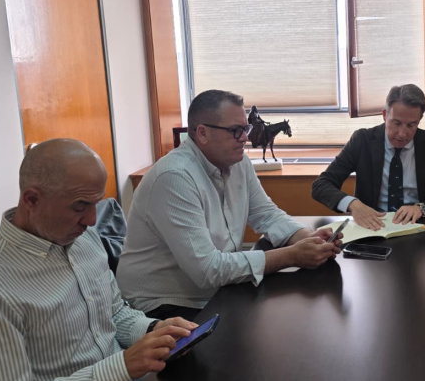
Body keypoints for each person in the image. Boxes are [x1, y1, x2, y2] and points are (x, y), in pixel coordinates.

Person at [0, 139, 197, 381]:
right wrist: (121, 367)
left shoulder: (83, 240)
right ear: (31, 200)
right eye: (79, 207)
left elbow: (113, 313)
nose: (91, 220)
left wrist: (154, 332)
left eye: (95, 204)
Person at [117, 90, 341, 320]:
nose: (245, 138)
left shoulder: (239, 162)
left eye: (246, 129)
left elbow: (267, 214)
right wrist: (293, 255)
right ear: (202, 133)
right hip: (162, 306)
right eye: (236, 131)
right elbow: (208, 271)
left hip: (212, 291)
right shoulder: (174, 177)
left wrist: (308, 238)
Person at [311, 84, 425, 231]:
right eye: (396, 123)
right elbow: (321, 185)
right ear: (384, 115)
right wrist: (353, 204)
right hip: (371, 227)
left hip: (418, 227)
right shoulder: (362, 140)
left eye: (411, 125)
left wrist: (422, 208)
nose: (402, 134)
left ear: (419, 119)